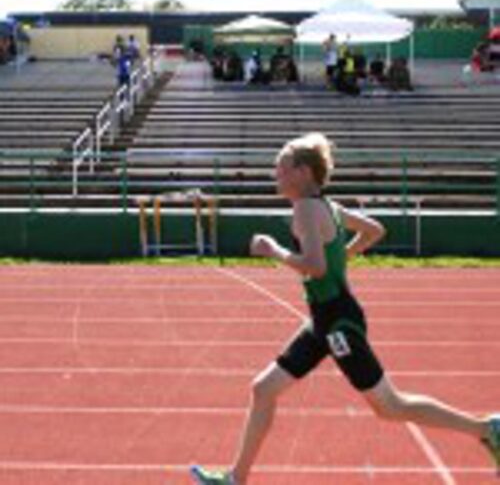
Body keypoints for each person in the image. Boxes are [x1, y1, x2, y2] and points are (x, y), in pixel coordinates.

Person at [190, 132, 500, 485]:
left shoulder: (305, 208)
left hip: (338, 324)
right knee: (263, 389)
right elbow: (374, 230)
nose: (275, 173)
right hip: (325, 320)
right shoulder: (330, 207)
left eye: (281, 167)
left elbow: (315, 266)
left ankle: (487, 429)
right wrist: (342, 258)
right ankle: (236, 479)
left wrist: (273, 249)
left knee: (390, 406)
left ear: (304, 172)